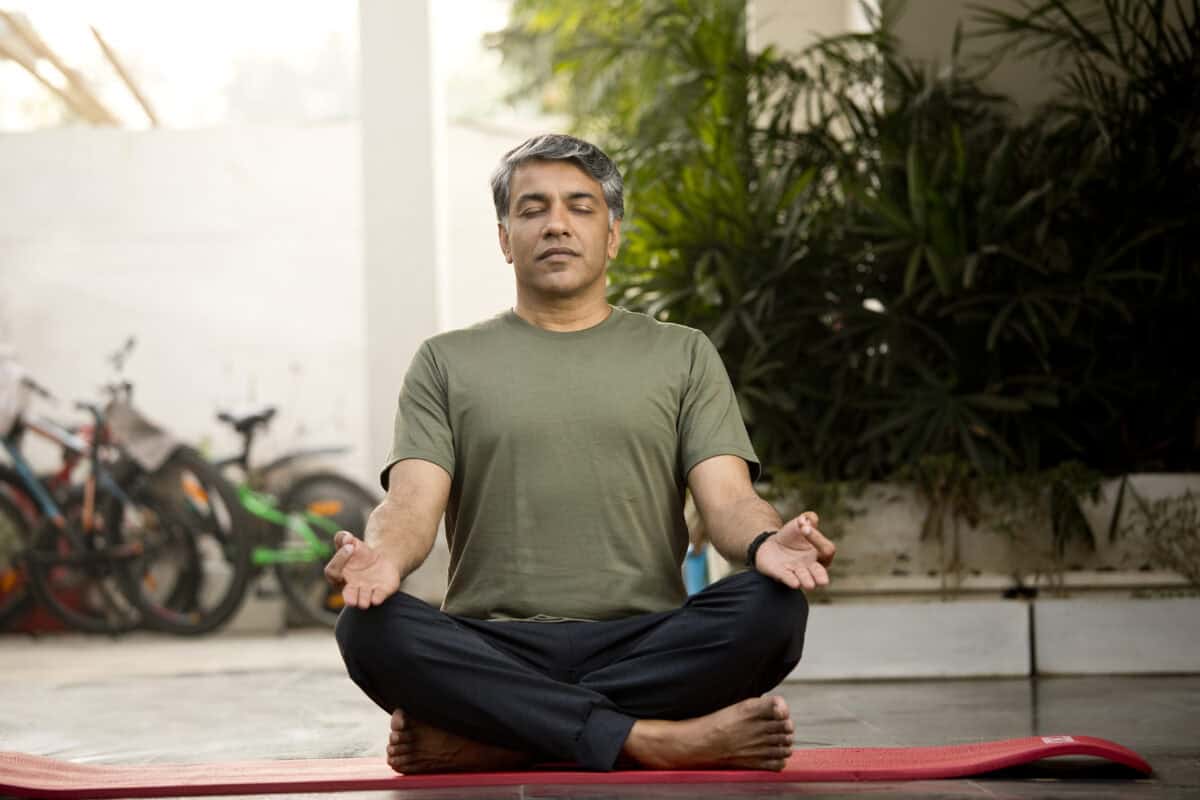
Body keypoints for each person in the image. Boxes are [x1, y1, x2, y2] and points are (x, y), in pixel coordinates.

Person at [326, 133, 836, 775]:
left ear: (613, 234)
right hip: (494, 644)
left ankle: (499, 741)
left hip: (647, 639)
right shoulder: (445, 362)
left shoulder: (682, 354)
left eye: (580, 206)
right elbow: (409, 507)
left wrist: (767, 544)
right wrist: (381, 560)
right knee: (369, 628)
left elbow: (729, 499)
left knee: (772, 609)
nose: (557, 225)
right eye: (533, 209)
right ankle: (654, 741)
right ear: (506, 238)